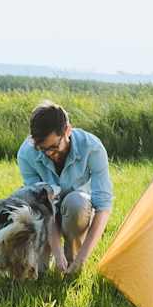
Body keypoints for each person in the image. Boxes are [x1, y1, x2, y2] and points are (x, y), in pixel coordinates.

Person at [17, 101, 113, 275]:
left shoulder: (92, 148)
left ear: (68, 130)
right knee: (37, 272)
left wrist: (81, 259)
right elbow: (41, 205)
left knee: (76, 203)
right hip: (45, 214)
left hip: (76, 210)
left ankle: (73, 259)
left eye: (54, 147)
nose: (49, 154)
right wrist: (56, 249)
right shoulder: (27, 153)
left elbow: (103, 208)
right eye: (43, 149)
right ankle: (48, 255)